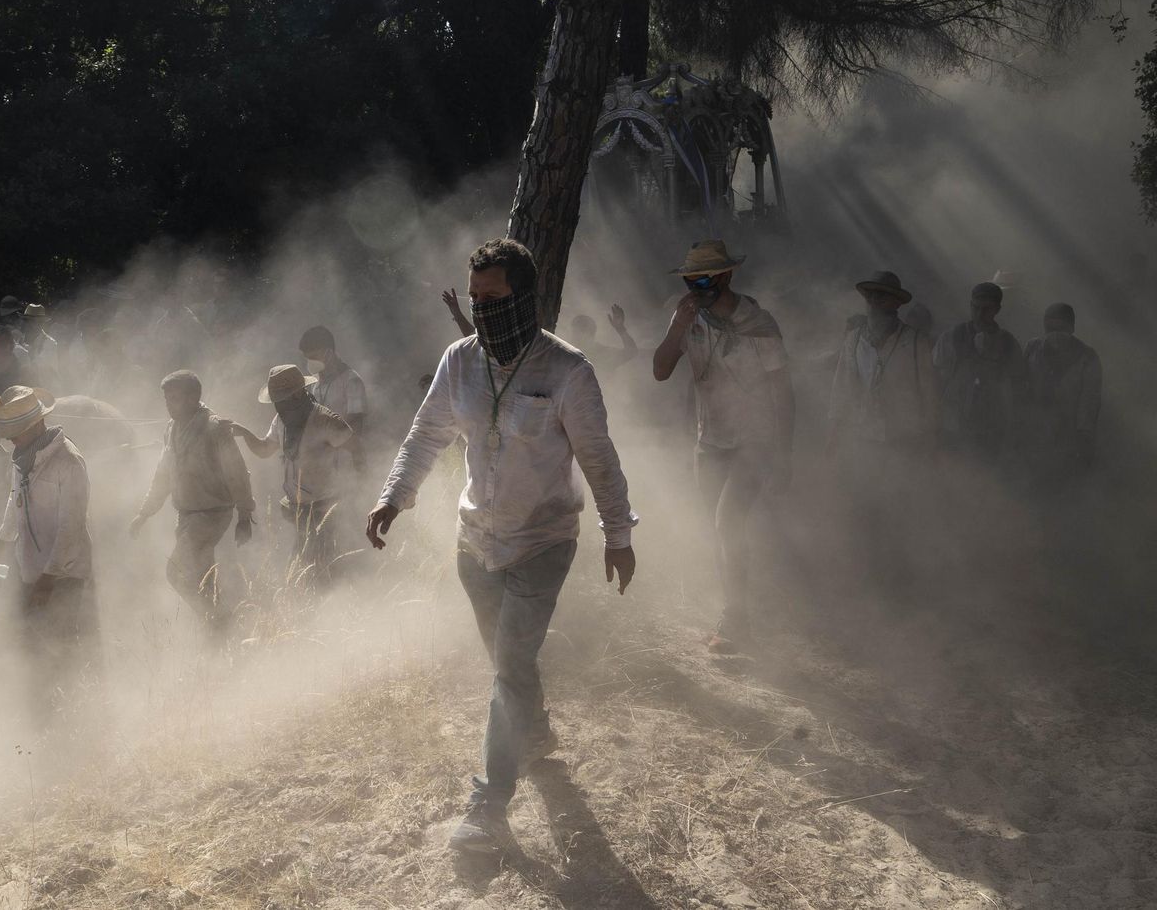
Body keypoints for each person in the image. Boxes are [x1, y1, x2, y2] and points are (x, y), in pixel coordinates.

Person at [365, 238, 638, 854]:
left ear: (525, 298)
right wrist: (393, 496)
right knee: (505, 663)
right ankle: (535, 733)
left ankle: (488, 805)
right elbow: (425, 434)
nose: (482, 310)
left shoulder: (568, 371)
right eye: (474, 298)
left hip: (543, 542)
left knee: (510, 669)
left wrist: (617, 535)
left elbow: (600, 461)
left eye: (494, 298)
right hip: (475, 545)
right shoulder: (458, 360)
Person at [652, 240, 792, 655]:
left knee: (726, 522)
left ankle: (736, 621)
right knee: (718, 529)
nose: (696, 287)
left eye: (704, 278)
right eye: (690, 280)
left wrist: (785, 452)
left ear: (727, 276)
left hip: (756, 438)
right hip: (710, 440)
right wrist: (677, 325)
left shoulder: (758, 323)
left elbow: (783, 391)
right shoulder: (689, 317)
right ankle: (735, 608)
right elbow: (660, 371)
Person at [0, 386, 96, 721]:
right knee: (20, 638)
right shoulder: (22, 458)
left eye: (15, 432)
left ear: (34, 425)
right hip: (28, 565)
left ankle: (65, 714)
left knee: (57, 643)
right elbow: (13, 507)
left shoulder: (68, 462)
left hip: (63, 573)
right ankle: (33, 709)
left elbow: (70, 529)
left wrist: (49, 578)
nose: (11, 440)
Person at [824, 271, 938, 596]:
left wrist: (929, 439)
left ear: (895, 302)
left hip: (904, 438)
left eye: (882, 295)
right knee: (864, 506)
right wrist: (833, 435)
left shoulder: (915, 341)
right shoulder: (853, 339)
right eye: (871, 295)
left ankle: (898, 578)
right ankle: (866, 575)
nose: (875, 301)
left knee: (899, 508)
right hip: (863, 438)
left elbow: (928, 393)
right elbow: (841, 389)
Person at [130, 371, 255, 639]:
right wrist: (145, 511)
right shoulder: (171, 429)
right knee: (203, 577)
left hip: (211, 513)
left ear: (193, 398)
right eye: (167, 399)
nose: (169, 404)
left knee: (176, 572)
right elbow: (163, 473)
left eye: (175, 398)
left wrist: (245, 515)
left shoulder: (214, 428)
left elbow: (237, 473)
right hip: (187, 514)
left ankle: (219, 622)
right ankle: (220, 635)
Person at [234, 365, 354, 586]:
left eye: (283, 399)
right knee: (304, 570)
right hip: (298, 509)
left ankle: (336, 609)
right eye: (276, 401)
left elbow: (355, 447)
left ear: (299, 394)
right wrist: (244, 433)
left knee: (319, 569)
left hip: (324, 507)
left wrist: (359, 485)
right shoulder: (281, 421)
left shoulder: (324, 419)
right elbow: (264, 449)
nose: (278, 406)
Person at [933, 282, 1025, 462]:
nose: (980, 314)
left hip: (990, 427)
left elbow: (1017, 387)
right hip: (954, 424)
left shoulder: (1008, 344)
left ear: (997, 309)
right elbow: (935, 375)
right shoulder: (952, 336)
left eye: (986, 308)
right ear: (970, 305)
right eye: (975, 307)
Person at [1021, 303, 1102, 486]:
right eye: (1051, 327)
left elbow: (1089, 402)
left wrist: (1084, 438)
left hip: (1068, 436)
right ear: (1044, 326)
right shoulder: (1033, 348)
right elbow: (1022, 388)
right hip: (1035, 435)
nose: (1056, 334)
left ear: (1071, 328)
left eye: (1061, 327)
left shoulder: (1087, 357)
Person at [299, 325, 367, 472]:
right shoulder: (315, 383)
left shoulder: (351, 381)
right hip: (322, 468)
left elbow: (356, 426)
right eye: (307, 358)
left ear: (329, 353)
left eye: (313, 357)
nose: (310, 362)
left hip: (346, 465)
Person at [21, 304, 60, 388]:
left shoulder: (50, 343)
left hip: (45, 389)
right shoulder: (20, 340)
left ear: (41, 323)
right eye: (27, 321)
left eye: (34, 322)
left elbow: (40, 366)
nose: (30, 325)